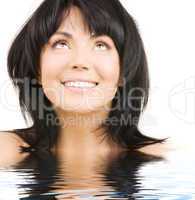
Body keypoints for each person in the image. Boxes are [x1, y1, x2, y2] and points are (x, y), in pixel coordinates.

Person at [0, 0, 167, 156]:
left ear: (123, 71)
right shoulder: (6, 150)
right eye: (61, 44)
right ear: (36, 68)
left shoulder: (163, 158)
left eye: (100, 45)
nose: (80, 62)